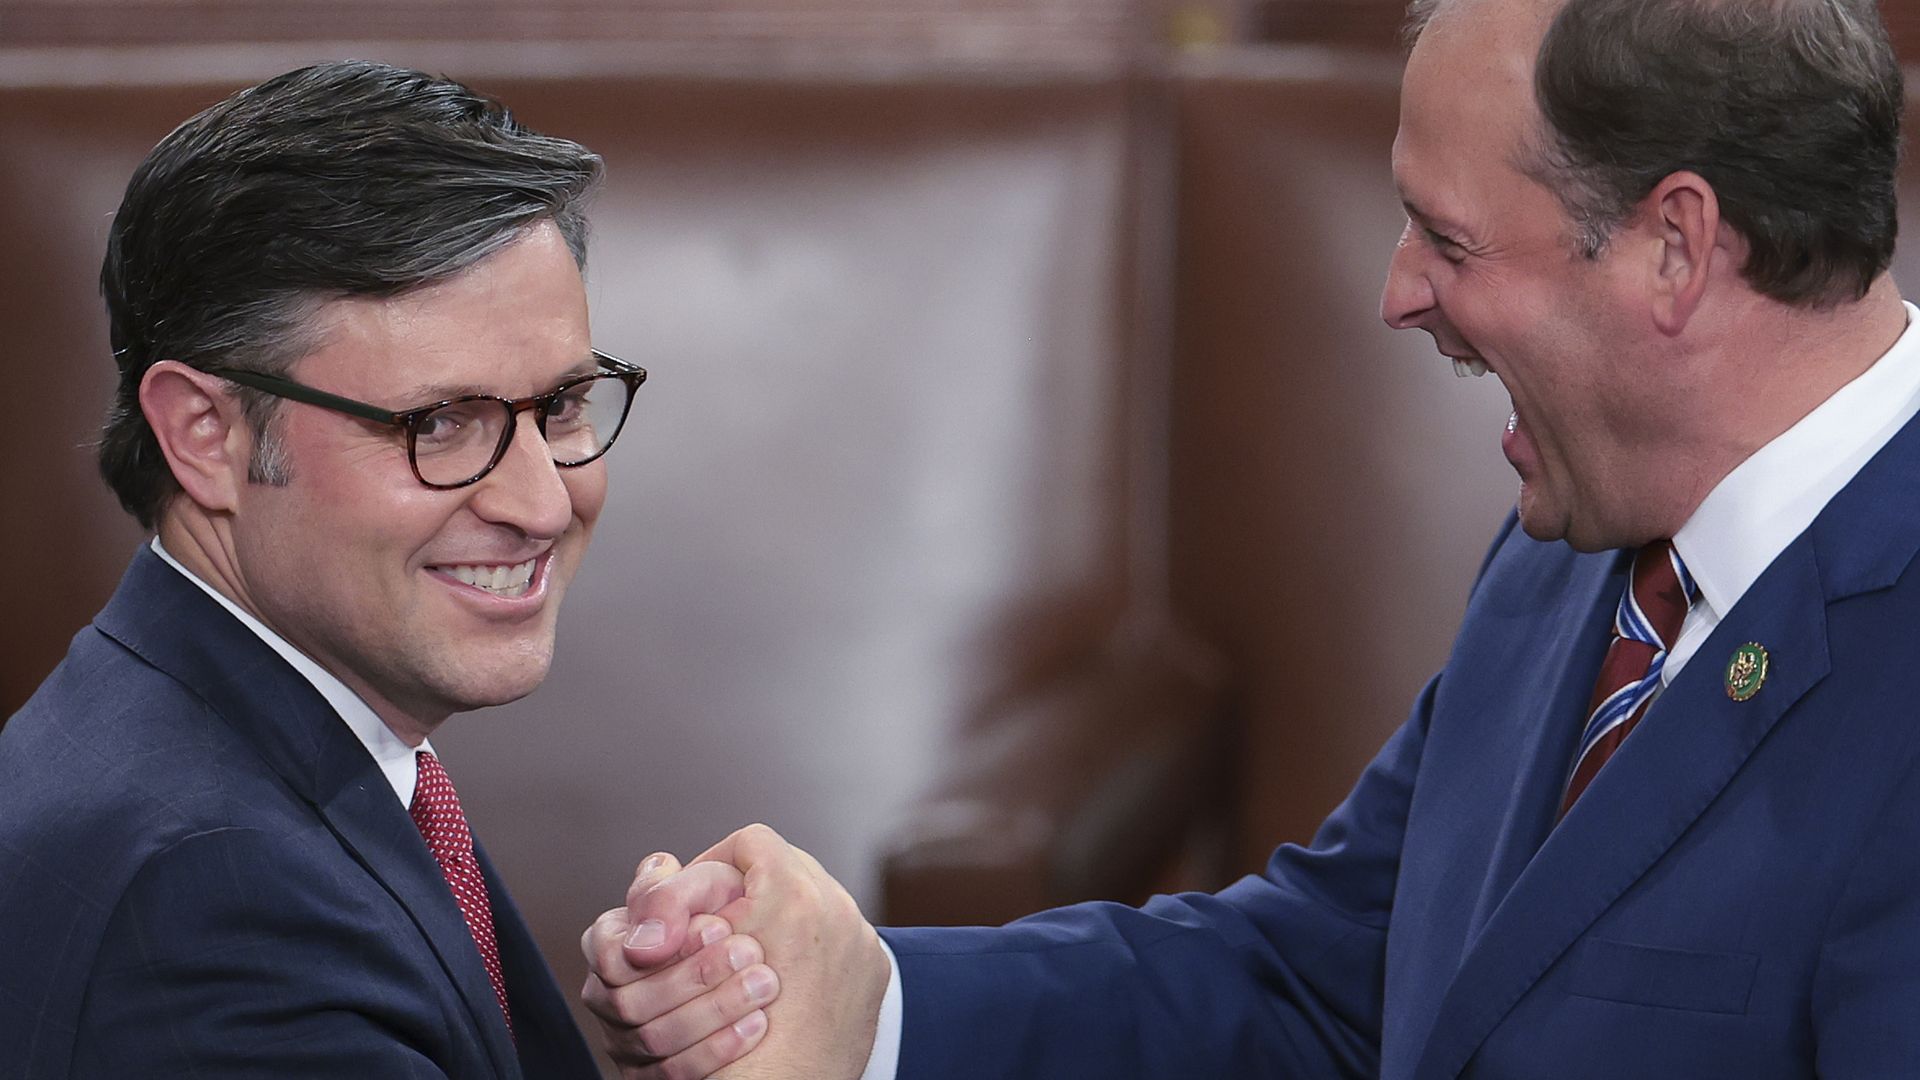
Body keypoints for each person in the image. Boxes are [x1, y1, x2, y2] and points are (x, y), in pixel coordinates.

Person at [584, 0, 1920, 1075]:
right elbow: (1325, 983)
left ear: (1676, 247)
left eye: (1449, 239)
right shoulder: (1566, 563)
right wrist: (855, 1000)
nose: (1400, 294)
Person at [0, 61, 778, 1077]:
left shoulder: (223, 753)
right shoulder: (212, 898)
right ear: (204, 434)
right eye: (441, 423)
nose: (543, 504)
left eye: (559, 408)